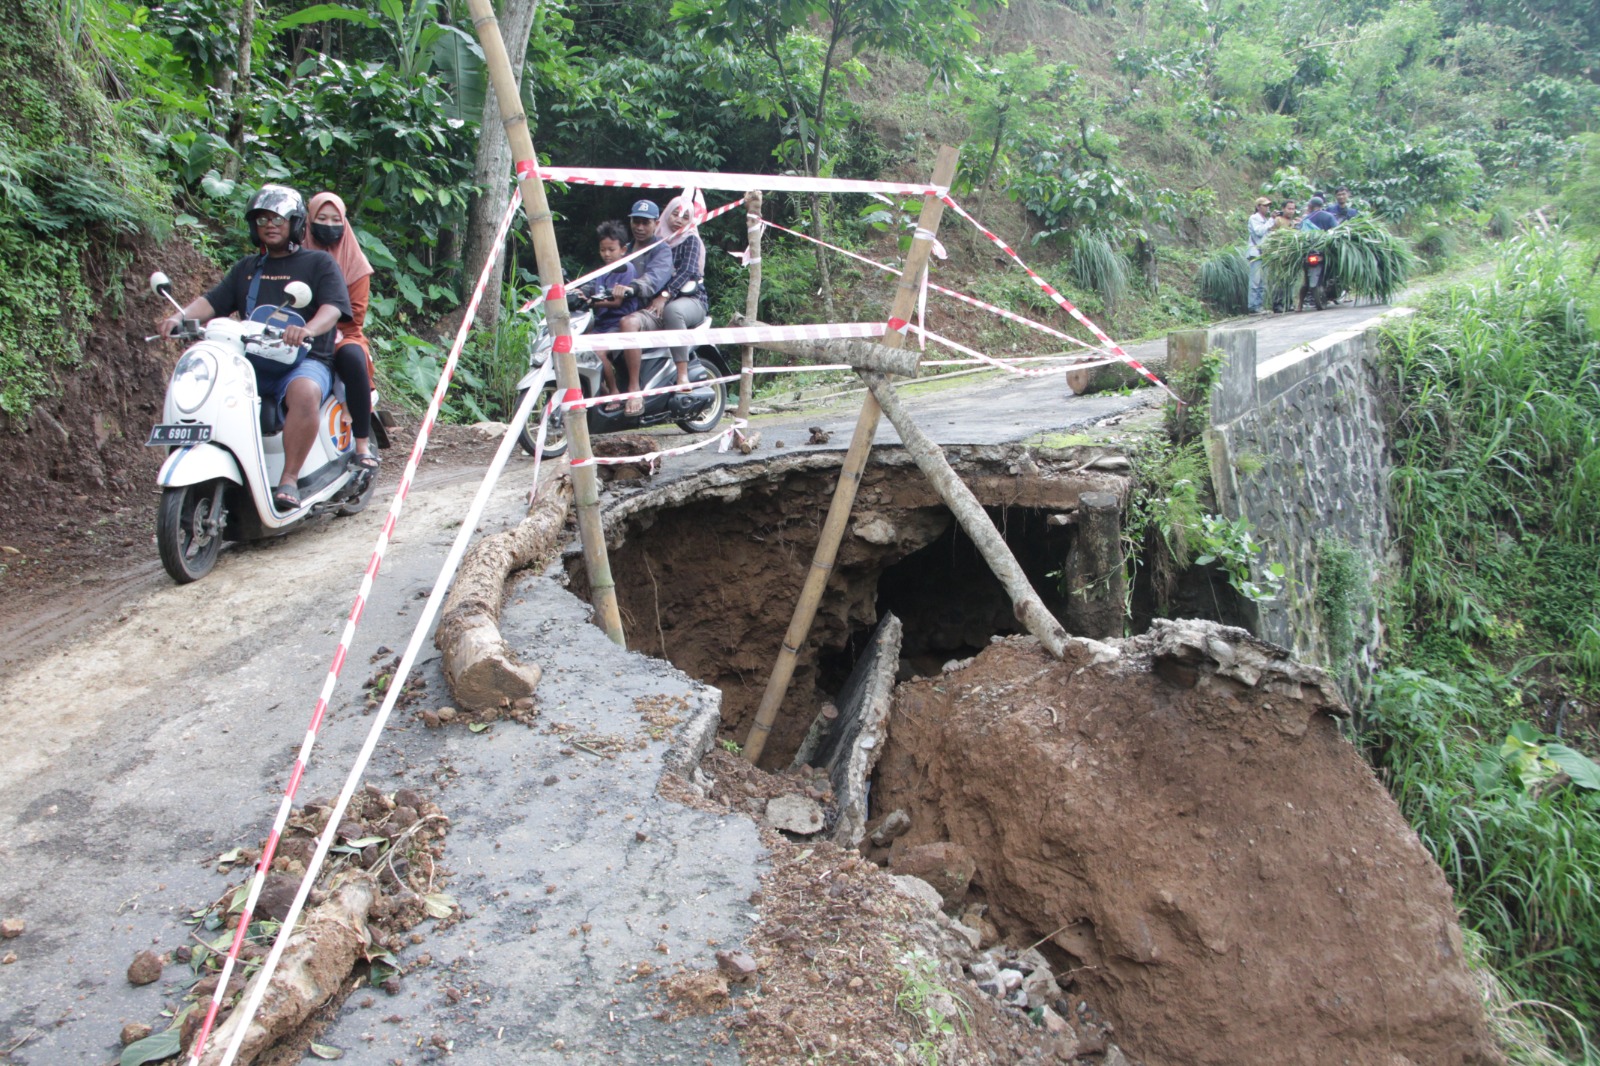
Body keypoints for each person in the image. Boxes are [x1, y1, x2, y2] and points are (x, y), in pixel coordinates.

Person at [159, 184, 350, 512]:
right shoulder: (247, 269)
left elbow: (332, 308)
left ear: (295, 223)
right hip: (250, 361)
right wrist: (180, 316)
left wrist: (307, 329)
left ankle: (289, 478)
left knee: (304, 391)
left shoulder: (318, 263)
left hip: (304, 359)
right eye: (262, 219)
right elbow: (214, 301)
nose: (269, 225)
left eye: (278, 219)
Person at [302, 191, 379, 477]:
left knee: (353, 358)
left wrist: (327, 324)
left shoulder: (355, 264)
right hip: (297, 333)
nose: (329, 225)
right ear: (309, 220)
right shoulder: (294, 254)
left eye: (336, 220)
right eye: (322, 219)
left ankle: (362, 444)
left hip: (341, 333)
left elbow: (356, 314)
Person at [612, 194, 697, 414]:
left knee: (639, 321)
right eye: (636, 221)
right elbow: (606, 272)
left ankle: (636, 389)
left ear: (655, 223)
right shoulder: (625, 249)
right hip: (623, 304)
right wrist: (583, 291)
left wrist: (641, 289)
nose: (639, 227)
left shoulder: (663, 248)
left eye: (645, 222)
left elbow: (657, 278)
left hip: (674, 300)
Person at [580, 220, 640, 401]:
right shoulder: (603, 271)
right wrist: (579, 294)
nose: (606, 254)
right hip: (601, 323)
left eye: (611, 250)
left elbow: (616, 302)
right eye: (602, 250)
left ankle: (614, 392)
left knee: (598, 353)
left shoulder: (627, 269)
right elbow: (591, 288)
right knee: (578, 349)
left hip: (617, 323)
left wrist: (591, 303)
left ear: (623, 249)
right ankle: (601, 391)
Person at [1246, 196, 1274, 314]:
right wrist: (1271, 221)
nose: (1267, 208)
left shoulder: (1265, 219)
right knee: (1255, 281)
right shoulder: (1254, 218)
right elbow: (1259, 232)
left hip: (1264, 253)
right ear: (1258, 207)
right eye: (1265, 205)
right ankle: (1253, 306)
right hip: (1255, 253)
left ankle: (1260, 305)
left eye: (1268, 206)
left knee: (1263, 281)